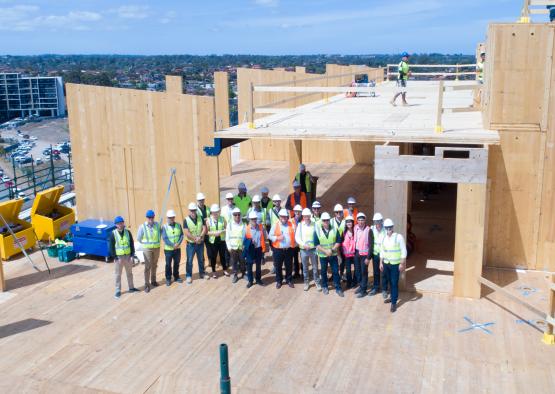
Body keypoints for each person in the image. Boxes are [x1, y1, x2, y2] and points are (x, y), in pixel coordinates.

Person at [380, 218, 407, 313]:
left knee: (394, 283)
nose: (389, 230)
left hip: (395, 265)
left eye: (390, 228)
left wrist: (401, 263)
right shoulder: (383, 238)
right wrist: (381, 263)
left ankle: (394, 303)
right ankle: (392, 297)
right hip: (386, 264)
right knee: (390, 282)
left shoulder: (398, 237)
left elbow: (404, 251)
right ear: (385, 228)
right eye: (387, 228)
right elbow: (382, 251)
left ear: (393, 227)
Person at [109, 216, 139, 299]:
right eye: (118, 223)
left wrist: (132, 255)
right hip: (119, 258)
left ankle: (131, 287)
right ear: (116, 225)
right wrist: (115, 257)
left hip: (128, 257)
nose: (120, 225)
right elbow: (111, 247)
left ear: (123, 223)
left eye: (121, 223)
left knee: (129, 273)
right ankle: (118, 290)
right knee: (118, 274)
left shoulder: (127, 232)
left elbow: (131, 244)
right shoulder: (113, 234)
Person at [315, 212, 343, 297]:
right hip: (323, 256)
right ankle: (324, 286)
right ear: (322, 222)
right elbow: (316, 244)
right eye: (324, 220)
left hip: (333, 254)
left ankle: (338, 288)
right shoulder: (318, 231)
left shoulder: (334, 229)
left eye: (327, 220)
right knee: (323, 271)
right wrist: (325, 251)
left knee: (335, 271)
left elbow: (338, 241)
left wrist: (332, 249)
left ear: (329, 220)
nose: (326, 222)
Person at [295, 208, 321, 292]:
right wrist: (303, 244)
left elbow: (318, 235)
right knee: (305, 268)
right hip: (304, 250)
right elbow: (297, 237)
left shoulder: (315, 224)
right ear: (303, 216)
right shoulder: (300, 225)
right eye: (305, 216)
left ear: (310, 216)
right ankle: (306, 282)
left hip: (313, 250)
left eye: (308, 216)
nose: (307, 217)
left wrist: (315, 245)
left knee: (315, 267)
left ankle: (317, 282)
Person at [269, 208, 296, 289]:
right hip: (278, 250)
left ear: (287, 217)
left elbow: (295, 235)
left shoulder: (291, 224)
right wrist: (277, 238)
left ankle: (289, 280)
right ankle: (279, 281)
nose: (283, 218)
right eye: (282, 217)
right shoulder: (275, 224)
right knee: (278, 266)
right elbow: (270, 236)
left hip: (289, 249)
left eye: (285, 217)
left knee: (289, 265)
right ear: (279, 217)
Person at [136, 209, 161, 293]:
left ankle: (153, 281)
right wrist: (145, 245)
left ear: (154, 217)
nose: (151, 219)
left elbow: (160, 234)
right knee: (147, 266)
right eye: (149, 217)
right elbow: (139, 238)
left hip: (156, 248)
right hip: (147, 249)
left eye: (152, 217)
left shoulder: (157, 225)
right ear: (147, 218)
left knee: (154, 265)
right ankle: (147, 284)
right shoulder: (142, 226)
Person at [184, 202, 207, 283]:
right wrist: (195, 239)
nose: (193, 212)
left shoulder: (201, 217)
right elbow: (186, 232)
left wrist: (200, 237)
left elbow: (204, 228)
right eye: (191, 210)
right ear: (189, 211)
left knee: (201, 259)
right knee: (189, 261)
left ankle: (202, 273)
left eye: (194, 210)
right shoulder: (186, 220)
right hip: (191, 244)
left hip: (200, 242)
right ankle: (189, 275)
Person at [244, 211, 268, 288]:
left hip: (258, 249)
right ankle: (250, 281)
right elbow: (243, 240)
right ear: (249, 220)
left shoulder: (261, 227)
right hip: (250, 250)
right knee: (249, 266)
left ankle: (258, 279)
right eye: (252, 219)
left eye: (255, 219)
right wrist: (250, 241)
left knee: (258, 265)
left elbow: (265, 236)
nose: (254, 220)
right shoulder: (246, 228)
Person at [354, 212, 374, 298]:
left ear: (365, 221)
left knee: (364, 272)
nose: (361, 222)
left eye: (362, 220)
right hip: (357, 253)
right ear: (357, 221)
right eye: (359, 220)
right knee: (358, 271)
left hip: (365, 255)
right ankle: (361, 285)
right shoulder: (355, 228)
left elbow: (371, 245)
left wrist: (368, 258)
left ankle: (364, 290)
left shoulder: (369, 230)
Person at [161, 209, 183, 286]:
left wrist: (178, 243)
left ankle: (176, 276)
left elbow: (181, 235)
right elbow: (165, 238)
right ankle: (168, 278)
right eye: (170, 217)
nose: (171, 219)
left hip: (177, 249)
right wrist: (172, 245)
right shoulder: (164, 227)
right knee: (168, 264)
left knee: (177, 263)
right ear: (167, 218)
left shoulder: (178, 225)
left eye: (173, 217)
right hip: (168, 250)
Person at [206, 204, 227, 279]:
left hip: (221, 240)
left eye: (216, 212)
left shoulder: (222, 219)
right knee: (213, 257)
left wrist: (221, 232)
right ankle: (214, 271)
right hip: (213, 242)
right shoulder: (208, 220)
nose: (215, 213)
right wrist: (214, 233)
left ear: (219, 211)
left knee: (222, 256)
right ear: (211, 212)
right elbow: (206, 232)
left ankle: (224, 269)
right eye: (214, 212)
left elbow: (226, 229)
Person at [226, 207, 246, 283]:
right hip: (233, 247)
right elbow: (227, 237)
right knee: (234, 262)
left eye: (238, 214)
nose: (237, 216)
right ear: (233, 215)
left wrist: (244, 246)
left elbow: (245, 236)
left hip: (241, 247)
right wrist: (229, 247)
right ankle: (235, 275)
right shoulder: (229, 225)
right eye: (235, 215)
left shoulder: (243, 224)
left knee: (242, 261)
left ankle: (243, 273)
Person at [370, 212, 387, 297]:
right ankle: (376, 287)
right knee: (376, 272)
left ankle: (384, 289)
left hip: (383, 255)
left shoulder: (385, 230)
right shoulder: (372, 228)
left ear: (381, 221)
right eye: (376, 221)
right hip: (375, 254)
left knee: (383, 272)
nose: (377, 223)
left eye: (379, 221)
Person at [220, 192, 235, 276]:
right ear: (226, 200)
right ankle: (227, 264)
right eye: (228, 199)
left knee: (233, 248)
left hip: (233, 231)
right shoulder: (223, 209)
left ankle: (234, 265)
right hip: (226, 231)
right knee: (226, 248)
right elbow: (222, 219)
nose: (230, 200)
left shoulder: (235, 208)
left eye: (231, 199)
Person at [341, 216, 356, 289]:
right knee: (348, 270)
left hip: (354, 254)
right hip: (347, 255)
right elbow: (341, 243)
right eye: (347, 222)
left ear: (353, 223)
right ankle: (349, 282)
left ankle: (354, 282)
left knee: (356, 269)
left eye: (350, 222)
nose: (349, 223)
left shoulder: (356, 231)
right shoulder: (343, 233)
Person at [332, 204, 346, 278]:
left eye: (340, 212)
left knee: (342, 259)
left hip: (343, 244)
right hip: (334, 243)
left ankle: (341, 273)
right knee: (334, 259)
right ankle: (334, 274)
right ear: (334, 213)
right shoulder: (331, 221)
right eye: (337, 212)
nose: (338, 214)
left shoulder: (345, 222)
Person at [290, 204, 302, 278]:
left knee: (303, 258)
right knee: (295, 258)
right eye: (296, 211)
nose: (297, 213)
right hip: (294, 243)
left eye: (299, 211)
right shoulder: (290, 221)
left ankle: (303, 273)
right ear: (294, 212)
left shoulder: (304, 220)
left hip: (301, 243)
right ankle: (296, 272)